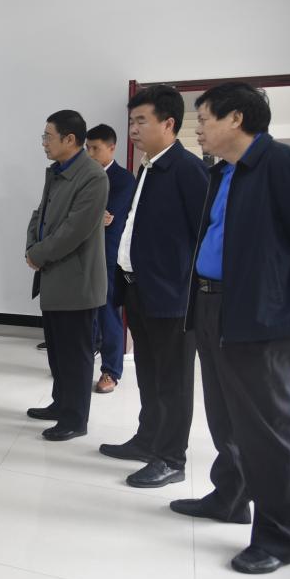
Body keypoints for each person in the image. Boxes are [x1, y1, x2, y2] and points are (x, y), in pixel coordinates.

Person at [172, 82, 290, 575]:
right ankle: (230, 497)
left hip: (263, 317)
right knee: (226, 417)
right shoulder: (222, 172)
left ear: (236, 118)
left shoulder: (285, 166)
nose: (198, 128)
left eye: (205, 118)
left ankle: (281, 537)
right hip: (213, 307)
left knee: (268, 429)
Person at [98, 86, 207, 489]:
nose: (133, 129)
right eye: (131, 121)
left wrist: (185, 285)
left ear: (168, 123)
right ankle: (148, 440)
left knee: (173, 380)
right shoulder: (147, 167)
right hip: (139, 289)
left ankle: (171, 459)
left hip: (172, 295)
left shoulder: (187, 170)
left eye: (141, 121)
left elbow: (204, 235)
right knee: (148, 371)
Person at [25, 110, 107, 441]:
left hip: (76, 281)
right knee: (58, 351)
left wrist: (38, 254)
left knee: (75, 354)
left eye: (48, 136)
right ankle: (61, 403)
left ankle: (75, 418)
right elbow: (40, 215)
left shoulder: (93, 176)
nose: (44, 143)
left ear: (70, 139)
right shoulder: (57, 171)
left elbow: (74, 231)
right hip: (53, 276)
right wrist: (31, 246)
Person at [84, 124, 135, 392]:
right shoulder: (82, 176)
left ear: (112, 148)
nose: (90, 154)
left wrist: (87, 215)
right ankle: (82, 363)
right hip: (82, 253)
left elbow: (107, 217)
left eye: (96, 148)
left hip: (108, 255)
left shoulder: (123, 179)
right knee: (83, 312)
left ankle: (111, 371)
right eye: (87, 148)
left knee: (107, 313)